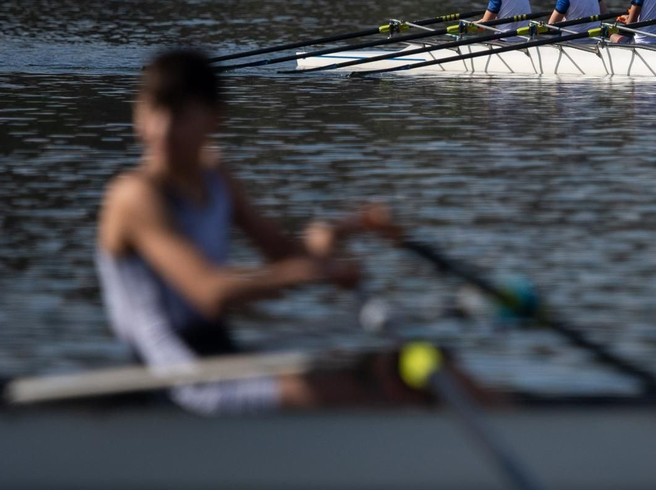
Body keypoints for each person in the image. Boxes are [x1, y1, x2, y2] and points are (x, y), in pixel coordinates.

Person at [96, 49, 428, 414]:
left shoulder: (215, 176)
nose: (162, 128)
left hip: (218, 355)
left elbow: (282, 252)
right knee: (366, 387)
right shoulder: (134, 196)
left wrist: (346, 227)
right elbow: (211, 293)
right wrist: (315, 271)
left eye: (180, 113)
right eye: (152, 111)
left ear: (215, 118)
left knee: (407, 367)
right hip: (171, 381)